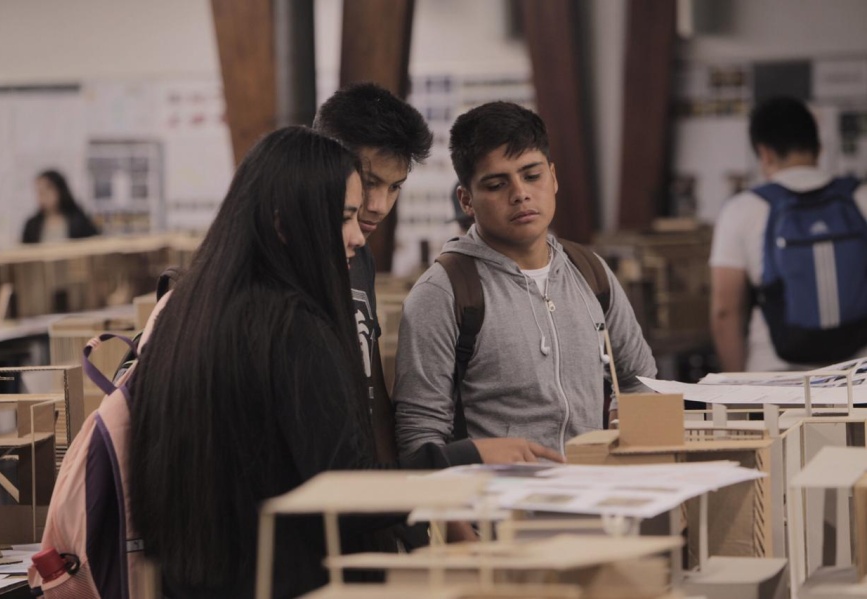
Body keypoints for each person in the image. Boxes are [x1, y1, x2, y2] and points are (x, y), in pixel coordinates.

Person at [128, 127, 485, 599]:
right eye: (344, 218)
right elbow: (342, 491)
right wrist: (466, 458)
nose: (359, 236)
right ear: (282, 223)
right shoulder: (292, 326)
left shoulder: (184, 312)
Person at [393, 101, 657, 461]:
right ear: (466, 200)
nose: (520, 194)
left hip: (596, 501)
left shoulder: (588, 269)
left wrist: (626, 443)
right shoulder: (444, 293)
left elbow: (641, 380)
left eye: (532, 176)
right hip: (500, 509)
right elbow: (420, 433)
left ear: (553, 176)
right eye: (497, 184)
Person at [314, 83, 561, 466]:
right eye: (369, 182)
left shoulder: (358, 256)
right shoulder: (442, 290)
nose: (378, 207)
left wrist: (397, 504)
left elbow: (374, 394)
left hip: (363, 495)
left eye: (394, 187)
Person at [710, 96, 867, 372]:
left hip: (775, 379)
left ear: (764, 152)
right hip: (858, 376)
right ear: (819, 148)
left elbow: (726, 310)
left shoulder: (742, 210)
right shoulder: (861, 197)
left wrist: (735, 388)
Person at [21, 169, 99, 243]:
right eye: (39, 192)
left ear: (59, 190)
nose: (43, 197)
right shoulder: (32, 224)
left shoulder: (78, 220)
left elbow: (94, 242)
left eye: (46, 191)